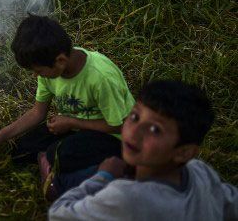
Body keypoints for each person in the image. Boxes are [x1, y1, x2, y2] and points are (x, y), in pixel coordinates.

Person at [0, 14, 134, 198]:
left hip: (113, 136)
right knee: (20, 152)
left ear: (60, 60)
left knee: (57, 155)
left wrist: (71, 123)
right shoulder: (50, 71)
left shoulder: (101, 77)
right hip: (75, 127)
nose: (36, 76)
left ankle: (67, 171)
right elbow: (38, 112)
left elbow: (122, 125)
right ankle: (53, 160)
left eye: (38, 71)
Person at [49, 80, 238, 220]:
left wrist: (102, 177)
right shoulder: (200, 171)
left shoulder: (125, 198)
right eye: (135, 116)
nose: (135, 132)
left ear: (184, 152)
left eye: (155, 129)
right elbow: (230, 202)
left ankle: (52, 181)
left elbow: (59, 214)